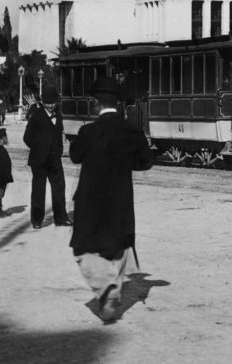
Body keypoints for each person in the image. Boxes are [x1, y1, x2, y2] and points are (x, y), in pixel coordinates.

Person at [69, 76, 155, 323]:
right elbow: (146, 161)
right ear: (117, 104)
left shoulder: (88, 131)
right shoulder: (132, 131)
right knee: (118, 248)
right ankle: (113, 289)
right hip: (120, 201)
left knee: (82, 248)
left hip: (90, 201)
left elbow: (75, 156)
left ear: (97, 104)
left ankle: (102, 287)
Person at [23, 83, 72, 229]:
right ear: (43, 102)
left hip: (55, 159)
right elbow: (27, 137)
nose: (51, 106)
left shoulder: (59, 115)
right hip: (39, 160)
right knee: (39, 190)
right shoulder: (36, 116)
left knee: (59, 189)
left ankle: (61, 218)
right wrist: (39, 148)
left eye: (53, 102)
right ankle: (37, 220)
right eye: (48, 103)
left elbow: (58, 134)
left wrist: (57, 150)